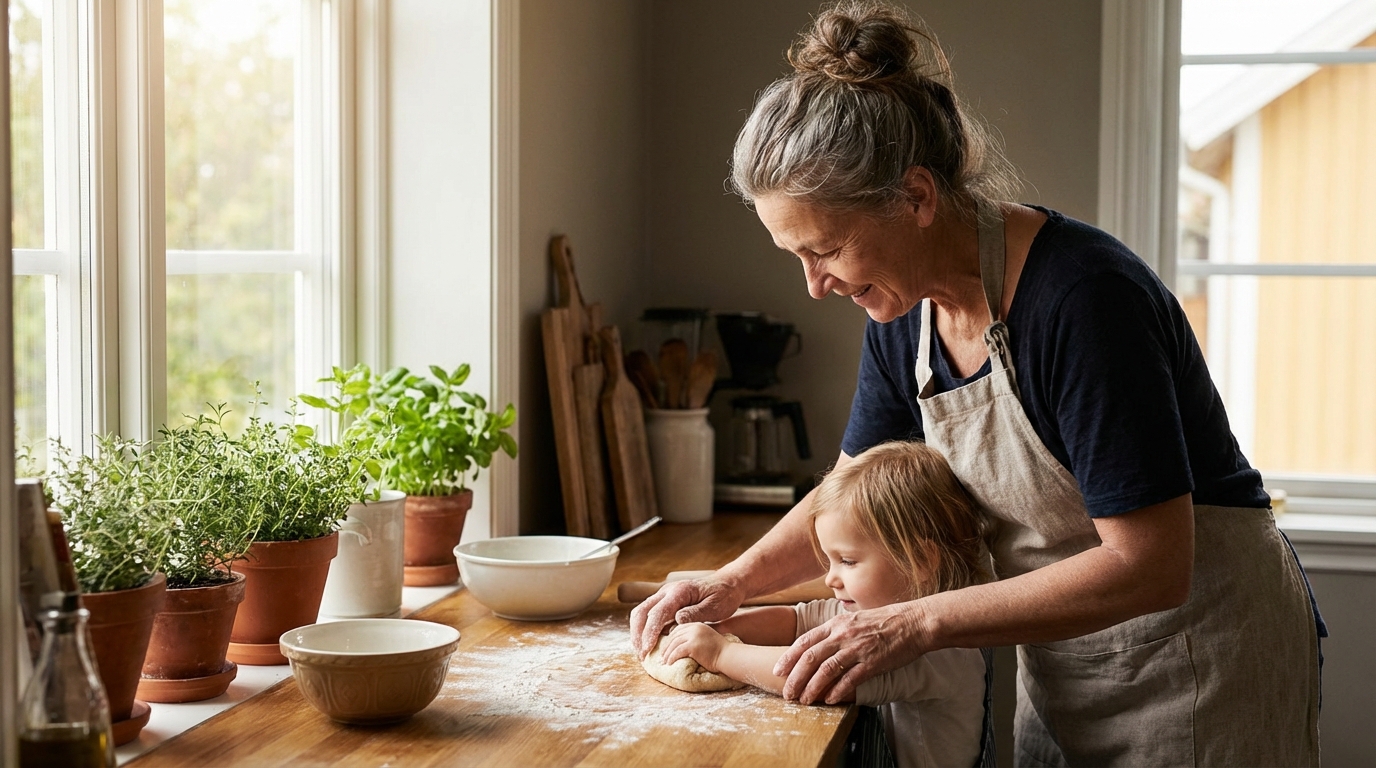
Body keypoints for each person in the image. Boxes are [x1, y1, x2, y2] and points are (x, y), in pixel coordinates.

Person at [631, 1, 1324, 764]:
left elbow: (1151, 565)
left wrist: (917, 622)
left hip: (1202, 661)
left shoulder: (1084, 300)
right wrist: (730, 585)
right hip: (1069, 662)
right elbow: (847, 494)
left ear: (917, 198)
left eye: (825, 250)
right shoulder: (904, 321)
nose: (813, 287)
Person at [661, 440, 990, 768]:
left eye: (847, 560)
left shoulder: (936, 651)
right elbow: (797, 621)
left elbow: (815, 675)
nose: (831, 579)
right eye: (828, 561)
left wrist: (722, 654)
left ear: (919, 559)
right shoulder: (873, 609)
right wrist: (721, 630)